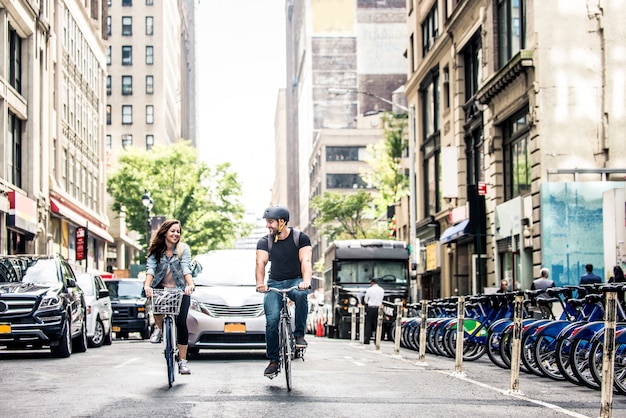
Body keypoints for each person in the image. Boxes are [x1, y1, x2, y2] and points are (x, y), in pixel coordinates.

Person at [255, 205, 312, 378]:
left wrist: (306, 281)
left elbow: (306, 261)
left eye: (270, 222)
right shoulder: (265, 241)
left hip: (296, 280)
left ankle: (299, 335)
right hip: (274, 283)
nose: (268, 226)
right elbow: (260, 263)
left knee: (302, 295)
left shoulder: (300, 238)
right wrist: (260, 284)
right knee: (272, 320)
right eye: (267, 222)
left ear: (282, 222)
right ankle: (273, 360)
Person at [143, 219, 196, 375]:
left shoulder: (182, 249)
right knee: (157, 311)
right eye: (172, 231)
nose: (176, 234)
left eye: (178, 231)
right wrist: (147, 285)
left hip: (180, 290)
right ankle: (160, 330)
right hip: (160, 288)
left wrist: (190, 285)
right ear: (165, 232)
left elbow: (186, 267)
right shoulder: (155, 251)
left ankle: (182, 361)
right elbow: (151, 269)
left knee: (181, 322)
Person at [363, 277, 385, 344]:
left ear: (372, 282)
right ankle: (377, 339)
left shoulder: (369, 290)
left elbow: (366, 300)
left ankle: (367, 339)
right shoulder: (381, 290)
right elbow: (382, 299)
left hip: (371, 308)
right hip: (379, 308)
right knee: (377, 324)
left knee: (368, 323)